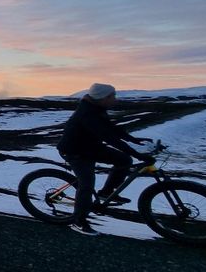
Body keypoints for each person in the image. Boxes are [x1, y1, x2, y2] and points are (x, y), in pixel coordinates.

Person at [57, 83, 152, 235]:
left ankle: (106, 192)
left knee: (124, 160)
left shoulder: (97, 108)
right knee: (86, 185)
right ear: (103, 97)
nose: (115, 99)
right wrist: (138, 154)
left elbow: (111, 128)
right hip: (75, 151)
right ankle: (78, 221)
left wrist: (134, 140)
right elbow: (109, 137)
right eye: (112, 96)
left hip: (90, 147)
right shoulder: (87, 114)